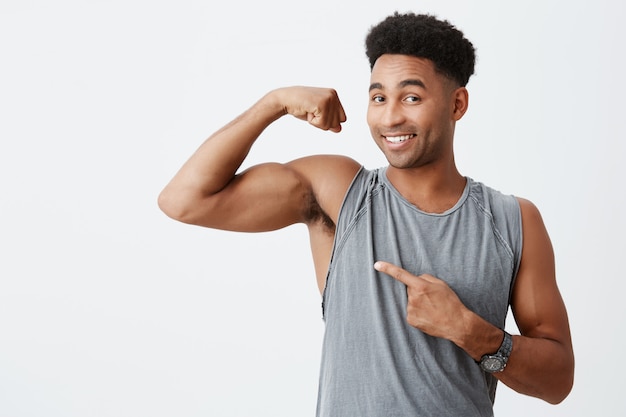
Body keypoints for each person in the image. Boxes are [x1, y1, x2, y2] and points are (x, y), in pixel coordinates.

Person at [158, 12, 574, 416]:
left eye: (411, 97)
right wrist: (275, 103)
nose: (390, 116)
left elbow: (557, 382)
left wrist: (468, 330)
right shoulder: (338, 192)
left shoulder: (513, 220)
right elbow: (184, 200)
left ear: (457, 104)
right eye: (378, 97)